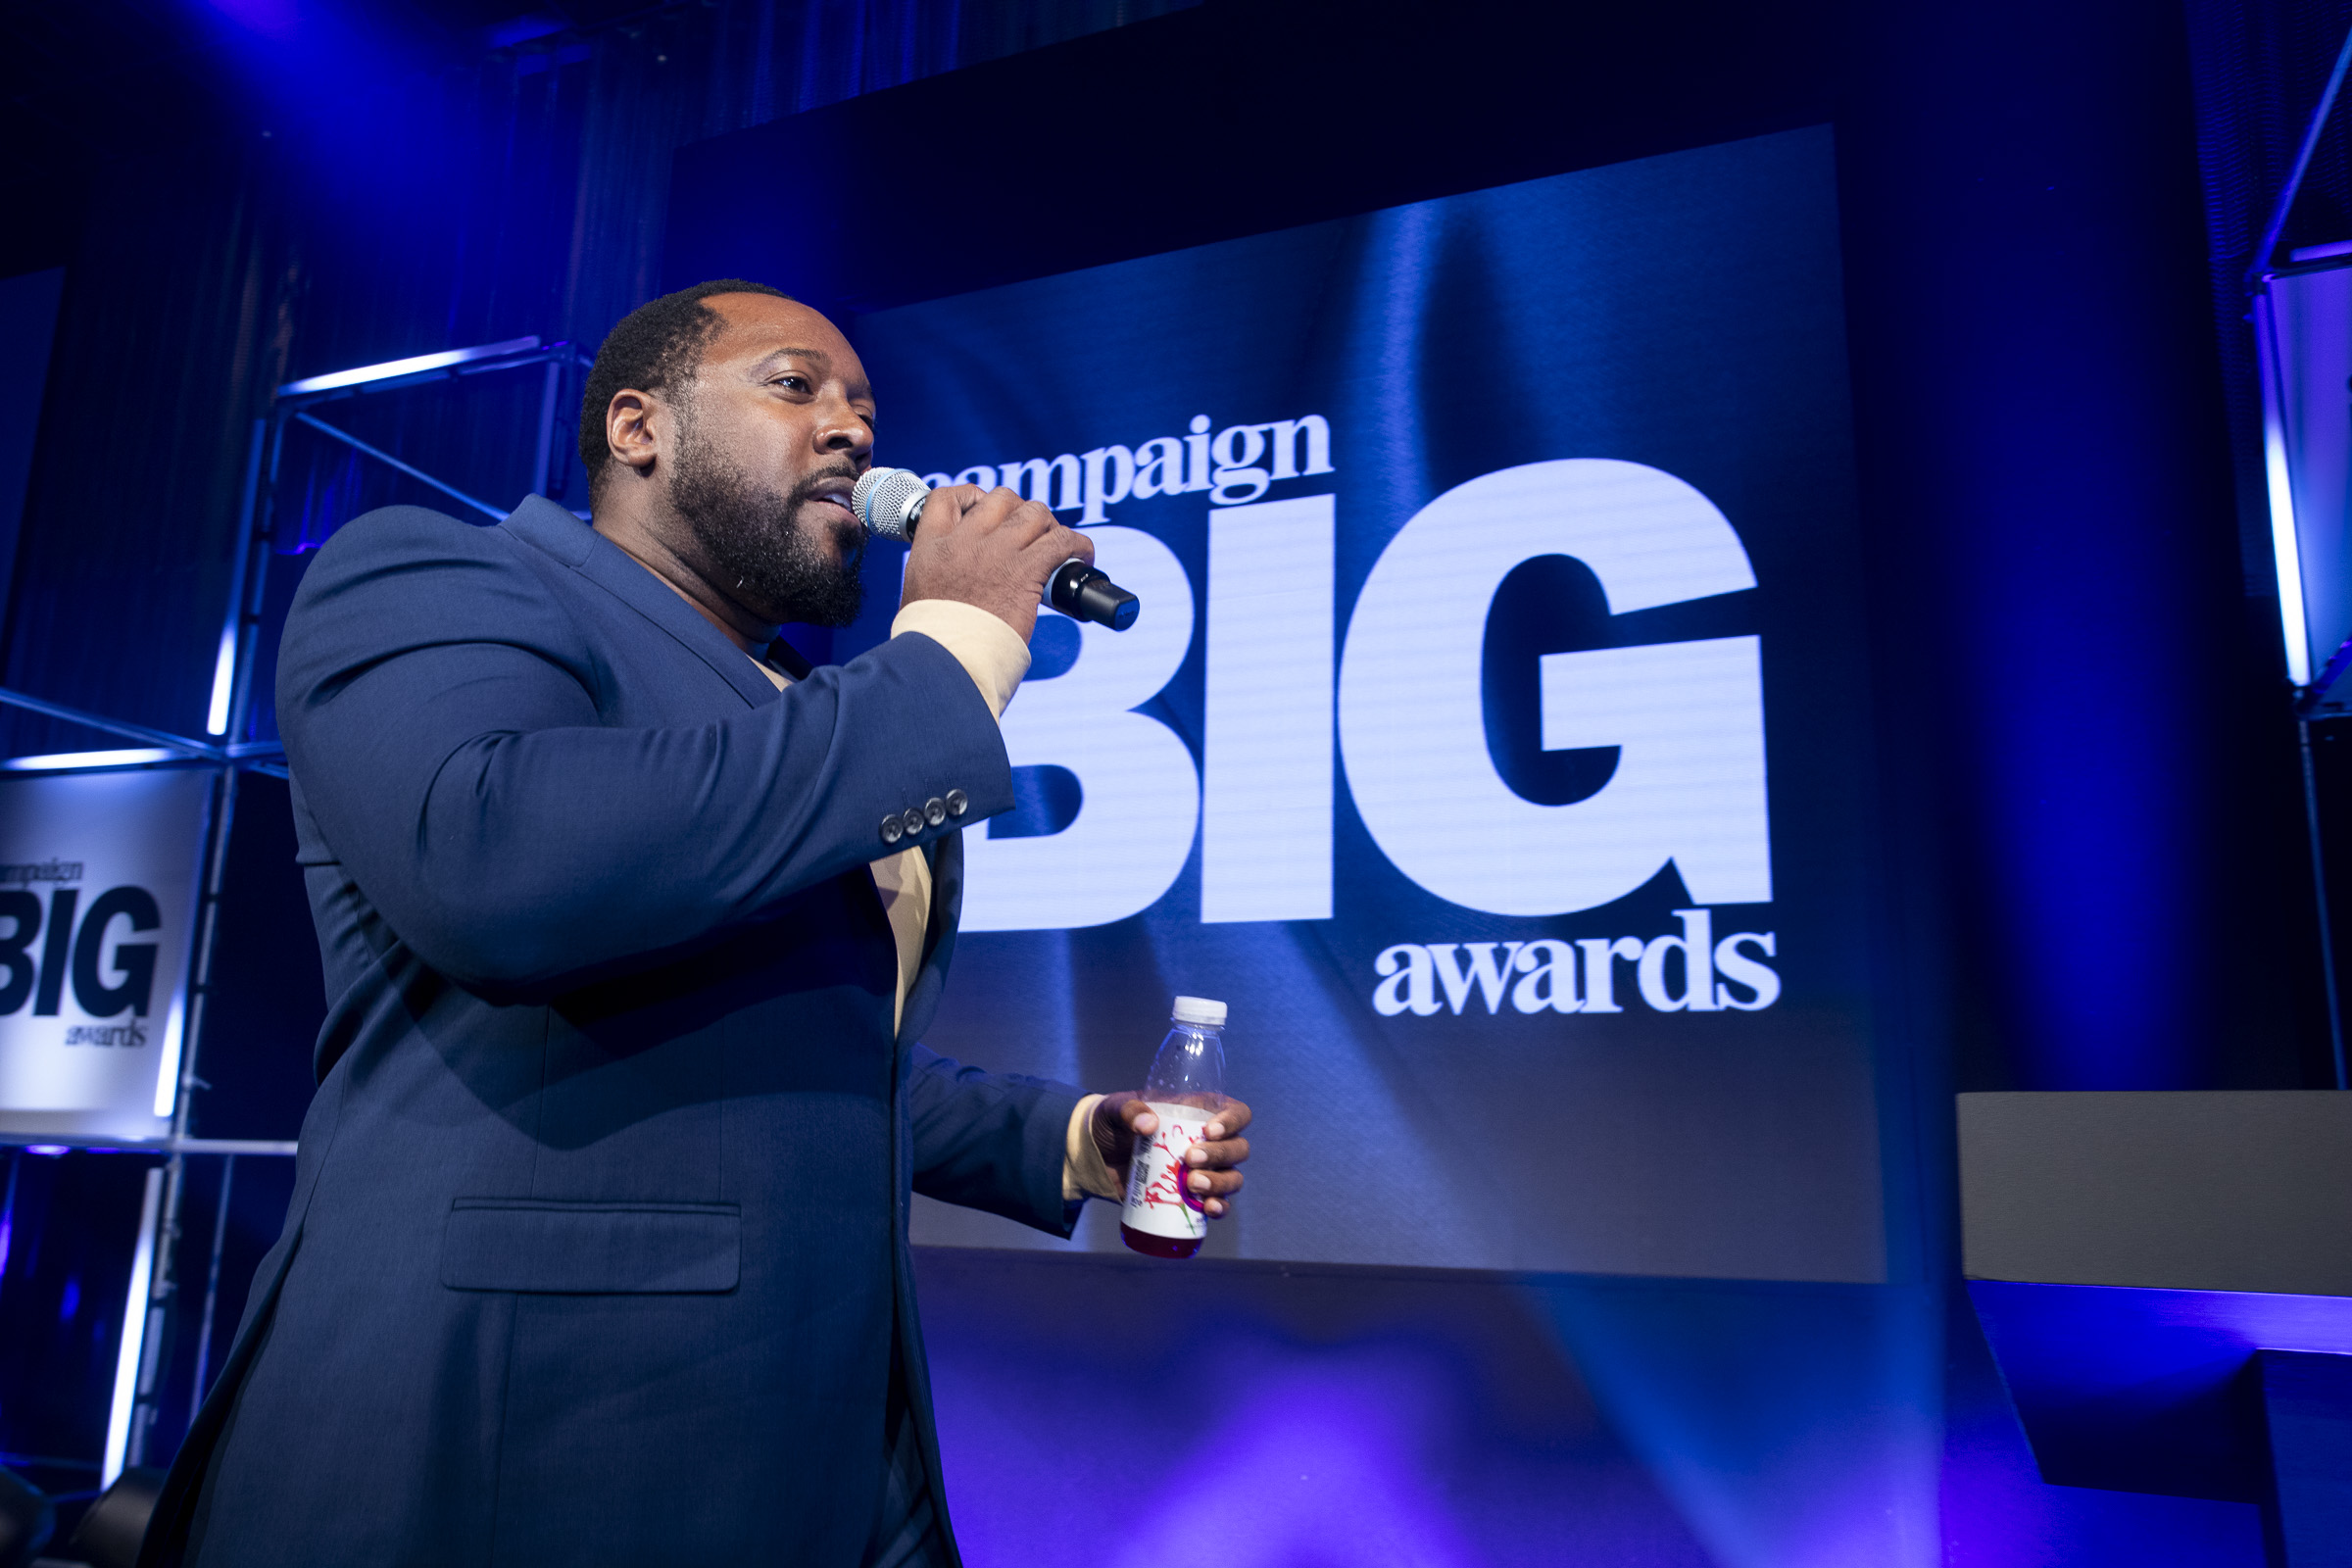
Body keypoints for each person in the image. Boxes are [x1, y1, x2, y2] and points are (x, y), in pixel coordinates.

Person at [140, 280, 1253, 1567]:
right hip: (533, 1428)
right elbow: (496, 869)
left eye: (865, 407)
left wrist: (1064, 1139)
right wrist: (951, 654)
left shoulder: (797, 708)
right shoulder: (440, 577)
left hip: (821, 1427)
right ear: (638, 429)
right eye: (794, 385)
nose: (851, 430)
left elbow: (792, 1041)